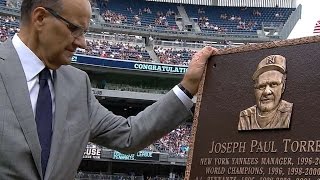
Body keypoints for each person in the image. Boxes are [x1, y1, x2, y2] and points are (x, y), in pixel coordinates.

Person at [0, 0, 216, 179]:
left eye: (84, 32)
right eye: (74, 29)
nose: (82, 43)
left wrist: (188, 86)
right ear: (40, 18)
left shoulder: (77, 85)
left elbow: (129, 135)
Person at [238, 55, 293, 131]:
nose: (266, 92)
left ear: (283, 87)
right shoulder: (245, 117)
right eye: (261, 86)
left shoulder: (289, 113)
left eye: (273, 84)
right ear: (255, 89)